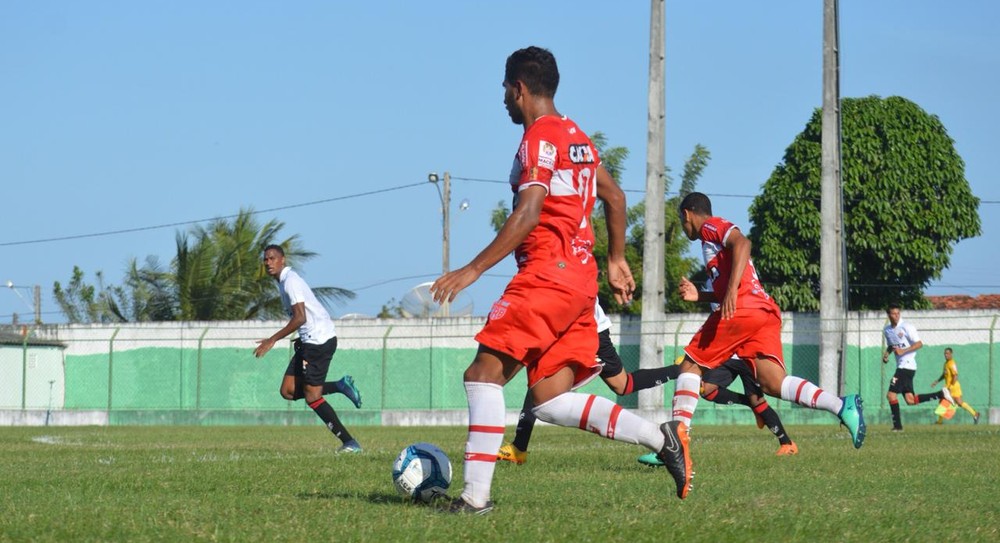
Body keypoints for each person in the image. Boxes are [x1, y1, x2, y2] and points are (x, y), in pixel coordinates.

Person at [429, 46, 686, 514]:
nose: (504, 99)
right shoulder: (577, 138)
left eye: (506, 90)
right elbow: (615, 196)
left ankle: (474, 499)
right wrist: (614, 258)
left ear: (519, 88)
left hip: (547, 275)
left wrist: (472, 270)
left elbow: (528, 212)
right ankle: (659, 436)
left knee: (483, 374)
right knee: (546, 399)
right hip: (580, 283)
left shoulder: (538, 140)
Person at [661, 192, 865, 500]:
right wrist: (701, 297)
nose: (683, 225)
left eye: (681, 220)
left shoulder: (710, 227)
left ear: (688, 214)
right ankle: (842, 405)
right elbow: (731, 279)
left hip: (743, 308)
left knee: (690, 366)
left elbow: (743, 242)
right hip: (762, 312)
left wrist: (729, 293)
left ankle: (674, 442)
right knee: (772, 382)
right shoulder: (711, 249)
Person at [496, 301, 684, 465]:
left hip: (588, 329)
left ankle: (681, 370)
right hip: (571, 327)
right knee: (544, 380)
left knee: (621, 385)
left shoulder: (568, 265)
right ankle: (518, 448)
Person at [253, 244, 363, 452]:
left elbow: (300, 317)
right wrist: (301, 338)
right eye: (265, 259)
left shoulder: (290, 282)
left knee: (312, 396)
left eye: (272, 258)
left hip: (318, 342)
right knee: (288, 390)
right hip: (309, 340)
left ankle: (349, 442)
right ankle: (339, 386)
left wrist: (272, 339)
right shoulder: (283, 282)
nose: (268, 262)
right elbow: (306, 317)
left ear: (282, 260)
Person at [635, 355, 799, 466]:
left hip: (750, 356)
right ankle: (673, 450)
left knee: (757, 401)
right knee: (707, 389)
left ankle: (787, 443)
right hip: (729, 355)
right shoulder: (717, 304)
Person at [882, 304, 941, 431]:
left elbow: (919, 344)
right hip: (903, 367)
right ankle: (940, 394)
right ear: (889, 315)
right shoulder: (887, 330)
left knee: (891, 395)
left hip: (906, 366)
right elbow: (893, 345)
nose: (896, 316)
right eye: (893, 313)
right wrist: (887, 354)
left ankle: (897, 427)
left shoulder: (906, 327)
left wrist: (904, 351)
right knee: (910, 400)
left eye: (898, 313)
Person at [930, 347, 980, 424]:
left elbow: (955, 376)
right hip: (948, 387)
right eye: (945, 353)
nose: (946, 355)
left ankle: (975, 414)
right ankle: (939, 422)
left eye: (947, 353)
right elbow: (944, 374)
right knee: (943, 401)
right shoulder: (946, 363)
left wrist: (950, 387)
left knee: (958, 402)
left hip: (953, 387)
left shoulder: (952, 363)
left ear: (951, 354)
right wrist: (937, 381)